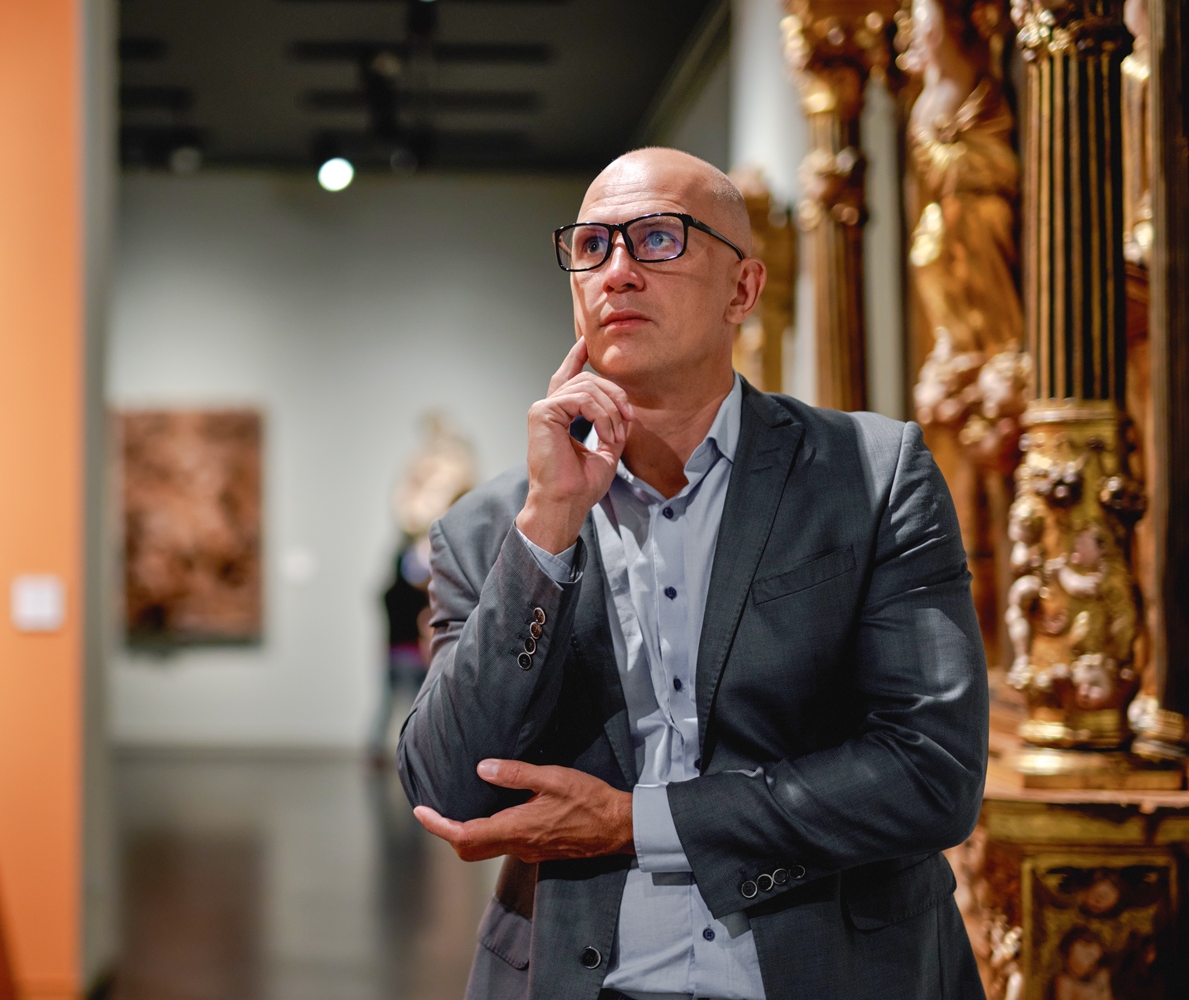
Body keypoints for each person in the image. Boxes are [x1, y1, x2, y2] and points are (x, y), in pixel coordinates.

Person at [397, 147, 988, 1000]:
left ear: (742, 291)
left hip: (834, 970)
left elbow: (931, 772)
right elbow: (448, 787)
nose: (619, 272)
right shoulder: (492, 527)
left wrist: (635, 823)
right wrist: (550, 528)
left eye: (659, 240)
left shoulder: (870, 473)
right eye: (594, 247)